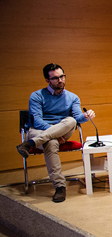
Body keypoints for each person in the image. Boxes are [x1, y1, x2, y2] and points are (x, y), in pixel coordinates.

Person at [16, 63, 96, 203]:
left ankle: (30, 144)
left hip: (62, 130)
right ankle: (60, 187)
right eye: (55, 78)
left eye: (62, 76)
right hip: (39, 130)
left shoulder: (73, 97)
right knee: (51, 143)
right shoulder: (36, 96)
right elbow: (37, 121)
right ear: (47, 80)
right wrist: (55, 133)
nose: (60, 80)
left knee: (71, 121)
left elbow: (77, 118)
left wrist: (85, 116)